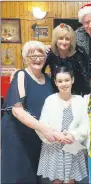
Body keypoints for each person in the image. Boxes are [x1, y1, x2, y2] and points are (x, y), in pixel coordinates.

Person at [1, 41, 61, 184]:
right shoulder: (21, 75)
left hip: (37, 134)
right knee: (18, 173)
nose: (37, 59)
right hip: (17, 133)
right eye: (31, 56)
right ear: (25, 59)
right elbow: (17, 110)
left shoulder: (47, 79)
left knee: (33, 173)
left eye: (40, 55)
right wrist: (44, 129)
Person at [36, 66, 89, 184]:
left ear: (72, 80)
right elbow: (42, 125)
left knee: (70, 180)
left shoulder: (80, 100)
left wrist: (73, 135)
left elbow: (85, 126)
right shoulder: (50, 100)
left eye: (67, 80)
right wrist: (56, 135)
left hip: (72, 144)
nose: (64, 84)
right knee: (56, 181)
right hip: (54, 146)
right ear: (55, 82)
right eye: (60, 81)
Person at [42, 23, 90, 95]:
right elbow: (40, 71)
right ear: (55, 40)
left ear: (71, 41)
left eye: (67, 39)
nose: (64, 42)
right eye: (61, 38)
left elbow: (85, 79)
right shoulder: (50, 54)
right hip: (55, 94)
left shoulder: (78, 56)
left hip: (74, 96)